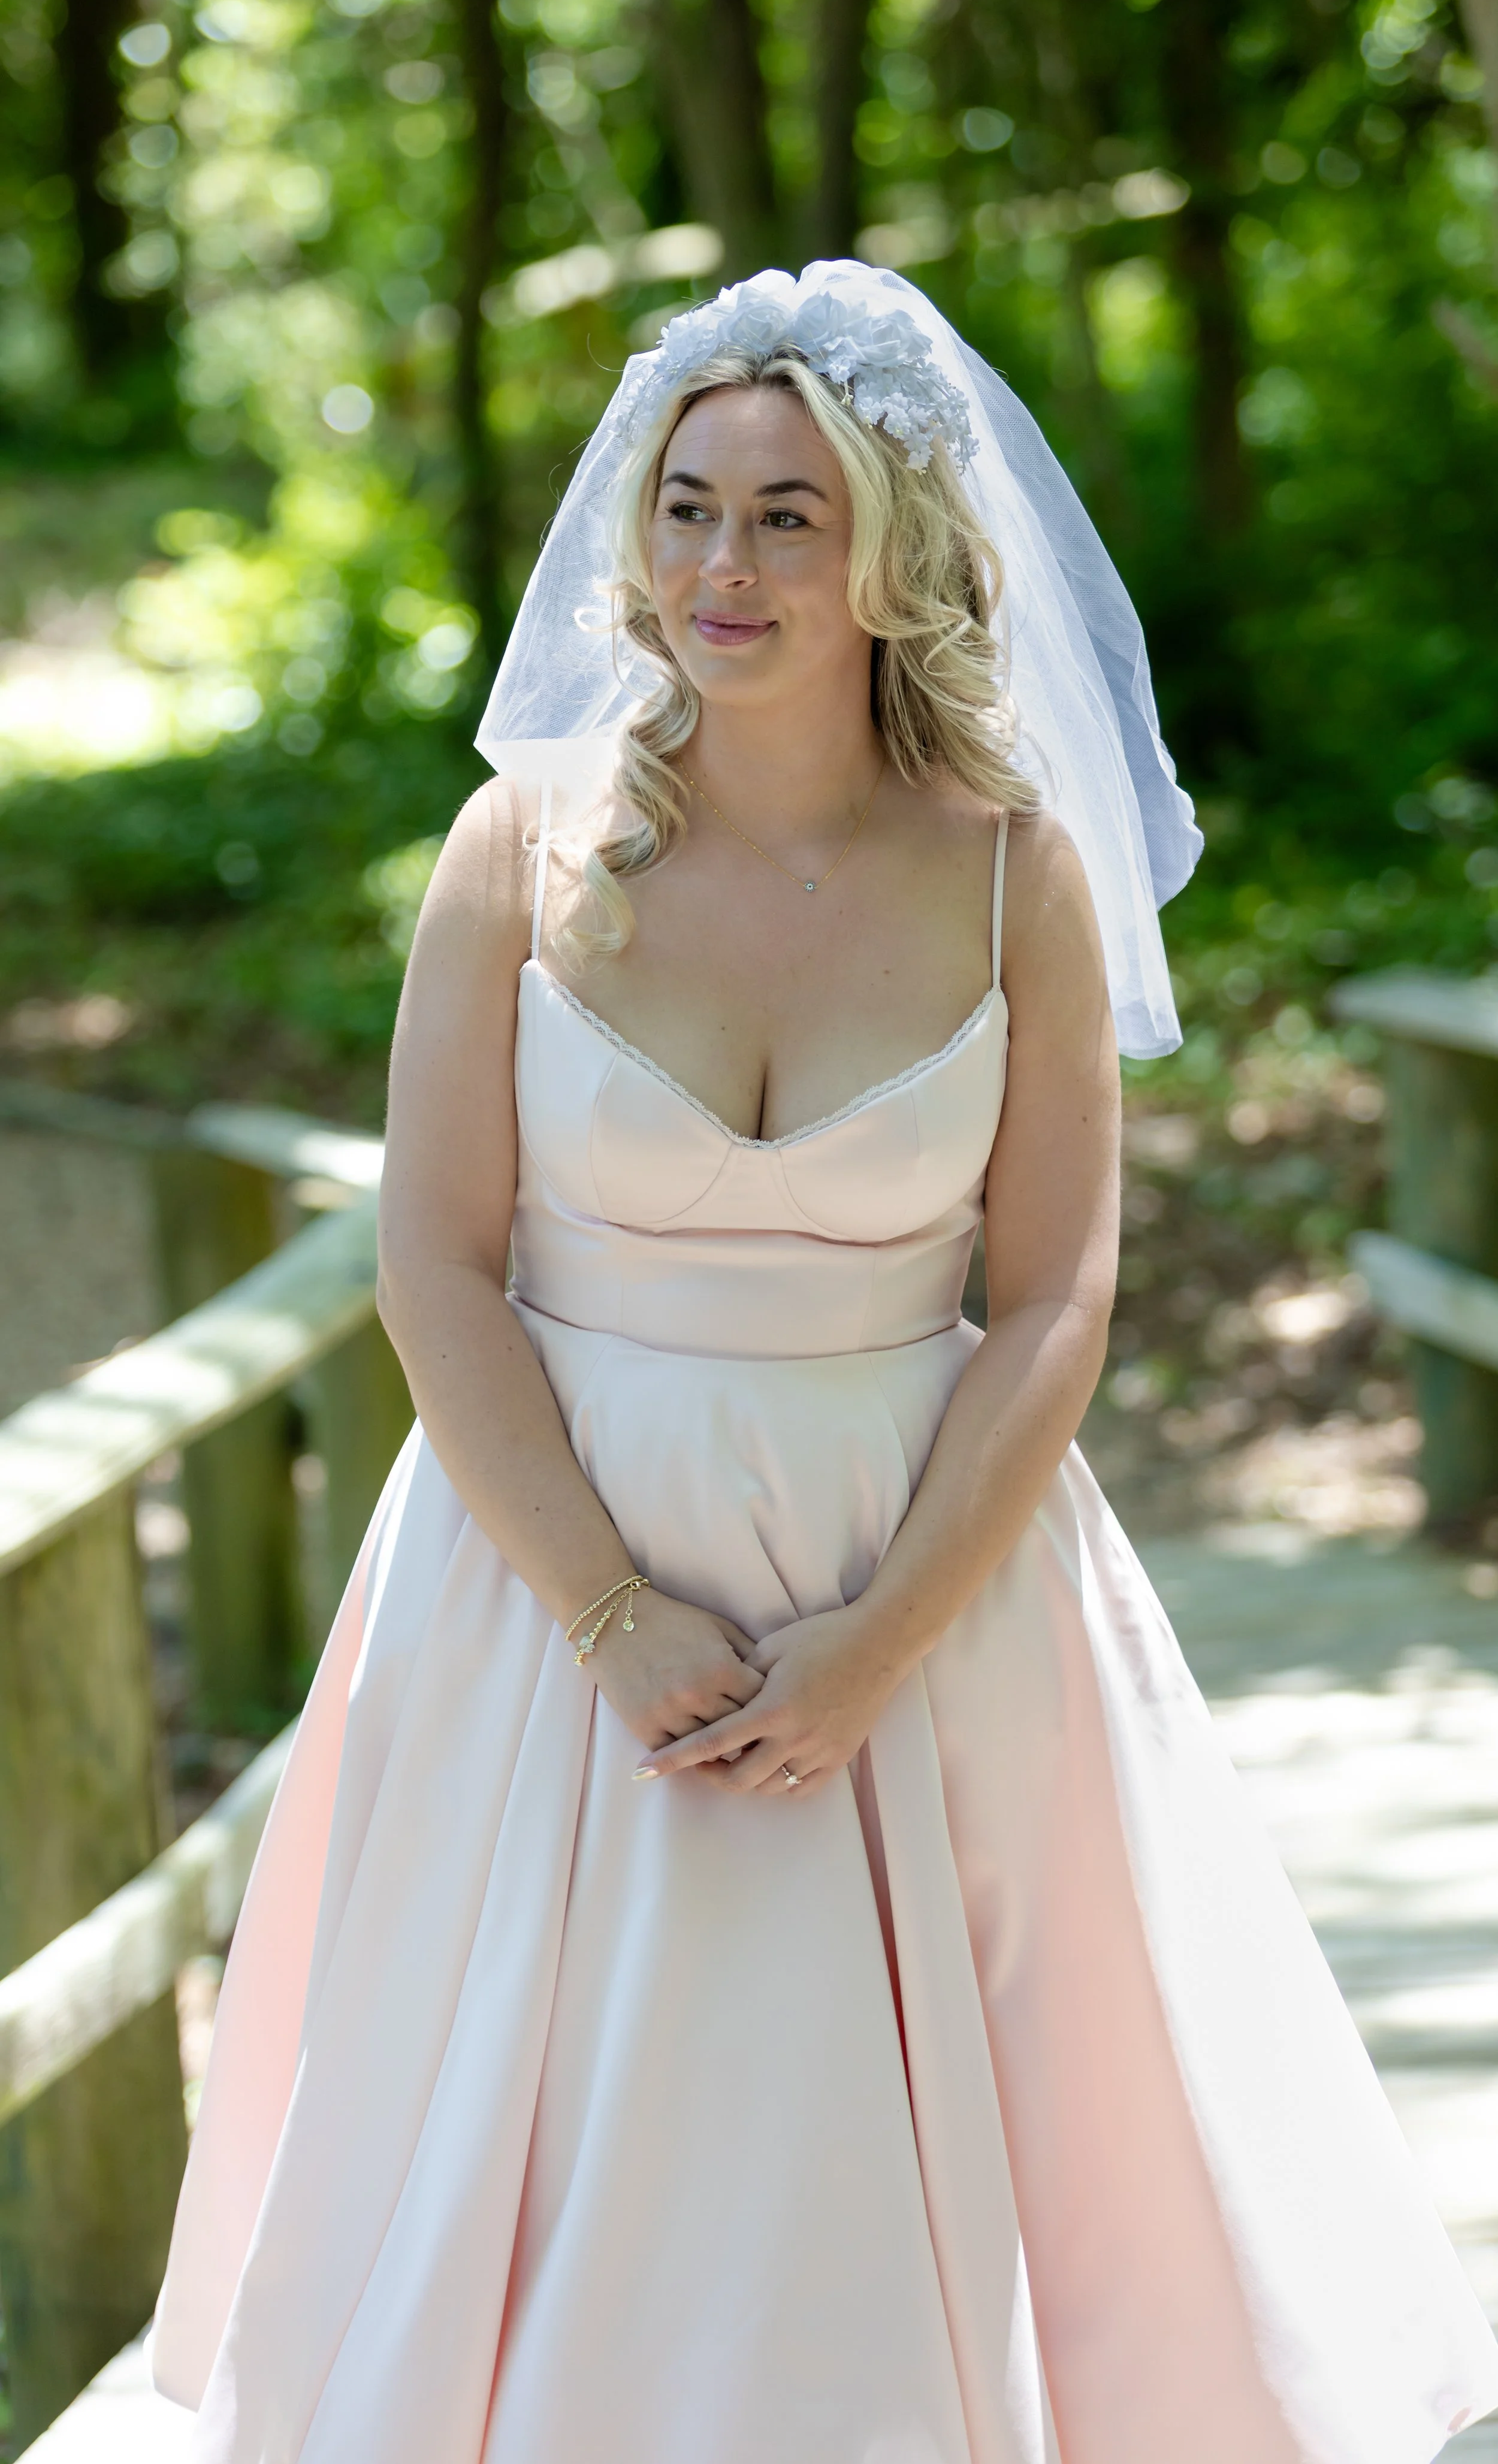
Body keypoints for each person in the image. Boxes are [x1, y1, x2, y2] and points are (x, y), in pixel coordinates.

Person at [152, 263, 1498, 2464]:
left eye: (786, 517)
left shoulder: (1007, 878)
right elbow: (433, 1262)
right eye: (686, 506)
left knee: (921, 2157)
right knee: (561, 2132)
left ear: (891, 551)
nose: (719, 567)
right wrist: (605, 1606)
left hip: (925, 1578)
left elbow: (1055, 1293)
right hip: (544, 1591)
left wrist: (876, 1643)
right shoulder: (520, 851)